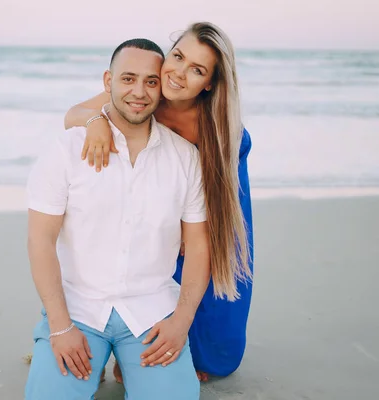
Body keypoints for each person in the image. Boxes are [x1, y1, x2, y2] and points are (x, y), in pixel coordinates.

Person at [24, 38, 215, 399]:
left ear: (162, 87)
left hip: (153, 315)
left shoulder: (186, 158)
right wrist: (61, 327)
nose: (139, 92)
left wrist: (181, 322)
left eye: (150, 81)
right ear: (107, 81)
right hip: (77, 310)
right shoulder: (67, 148)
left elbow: (200, 245)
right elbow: (40, 240)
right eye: (128, 79)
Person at [64, 21, 254, 383]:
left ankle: (195, 346)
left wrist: (193, 233)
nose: (180, 73)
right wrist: (95, 122)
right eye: (178, 57)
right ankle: (137, 348)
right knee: (157, 273)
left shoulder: (217, 123)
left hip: (220, 203)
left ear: (210, 82)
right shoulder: (145, 96)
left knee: (221, 330)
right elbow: (70, 114)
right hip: (169, 204)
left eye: (197, 69)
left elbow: (221, 198)